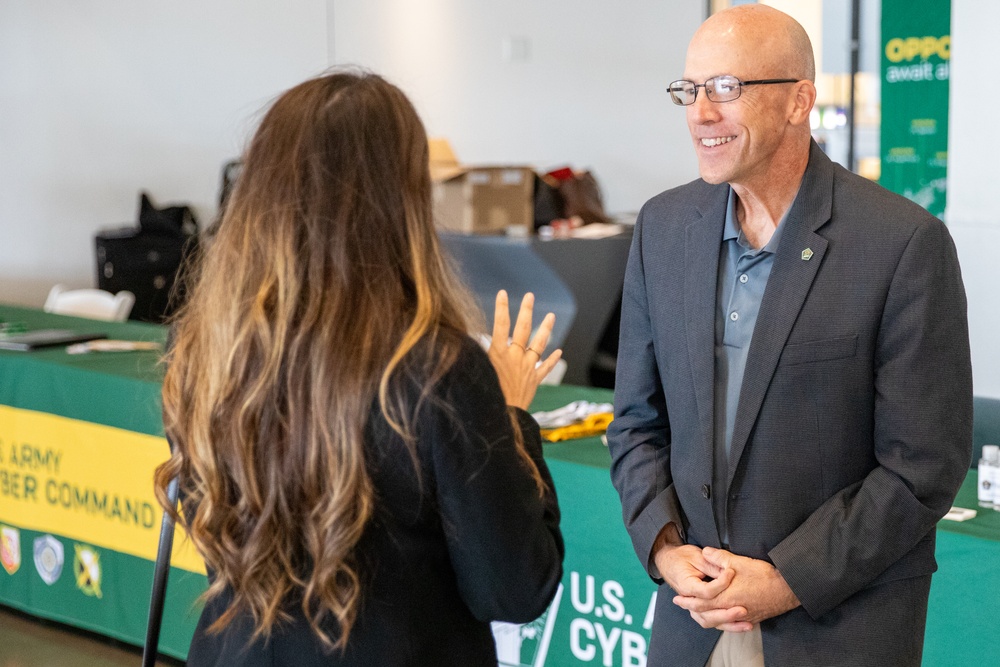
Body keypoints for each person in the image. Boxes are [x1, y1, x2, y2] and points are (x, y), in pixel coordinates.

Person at [153, 70, 565, 666]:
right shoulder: (439, 369)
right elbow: (515, 586)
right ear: (401, 199)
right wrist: (513, 418)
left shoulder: (207, 352)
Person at [607, 5, 972, 666]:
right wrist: (664, 546)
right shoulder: (661, 229)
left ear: (800, 100)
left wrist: (785, 578)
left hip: (836, 624)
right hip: (691, 621)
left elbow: (923, 466)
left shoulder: (901, 244)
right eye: (689, 91)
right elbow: (635, 421)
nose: (700, 112)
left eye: (726, 88)